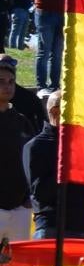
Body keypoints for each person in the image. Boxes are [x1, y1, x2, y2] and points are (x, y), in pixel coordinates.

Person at [25, 91, 84, 238]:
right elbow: (40, 193)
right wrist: (68, 165)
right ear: (55, 111)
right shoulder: (36, 146)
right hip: (53, 227)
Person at [0, 54, 43, 240]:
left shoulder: (22, 121)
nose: (7, 86)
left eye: (11, 81)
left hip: (19, 211)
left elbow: (34, 161)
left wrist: (28, 198)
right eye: (1, 81)